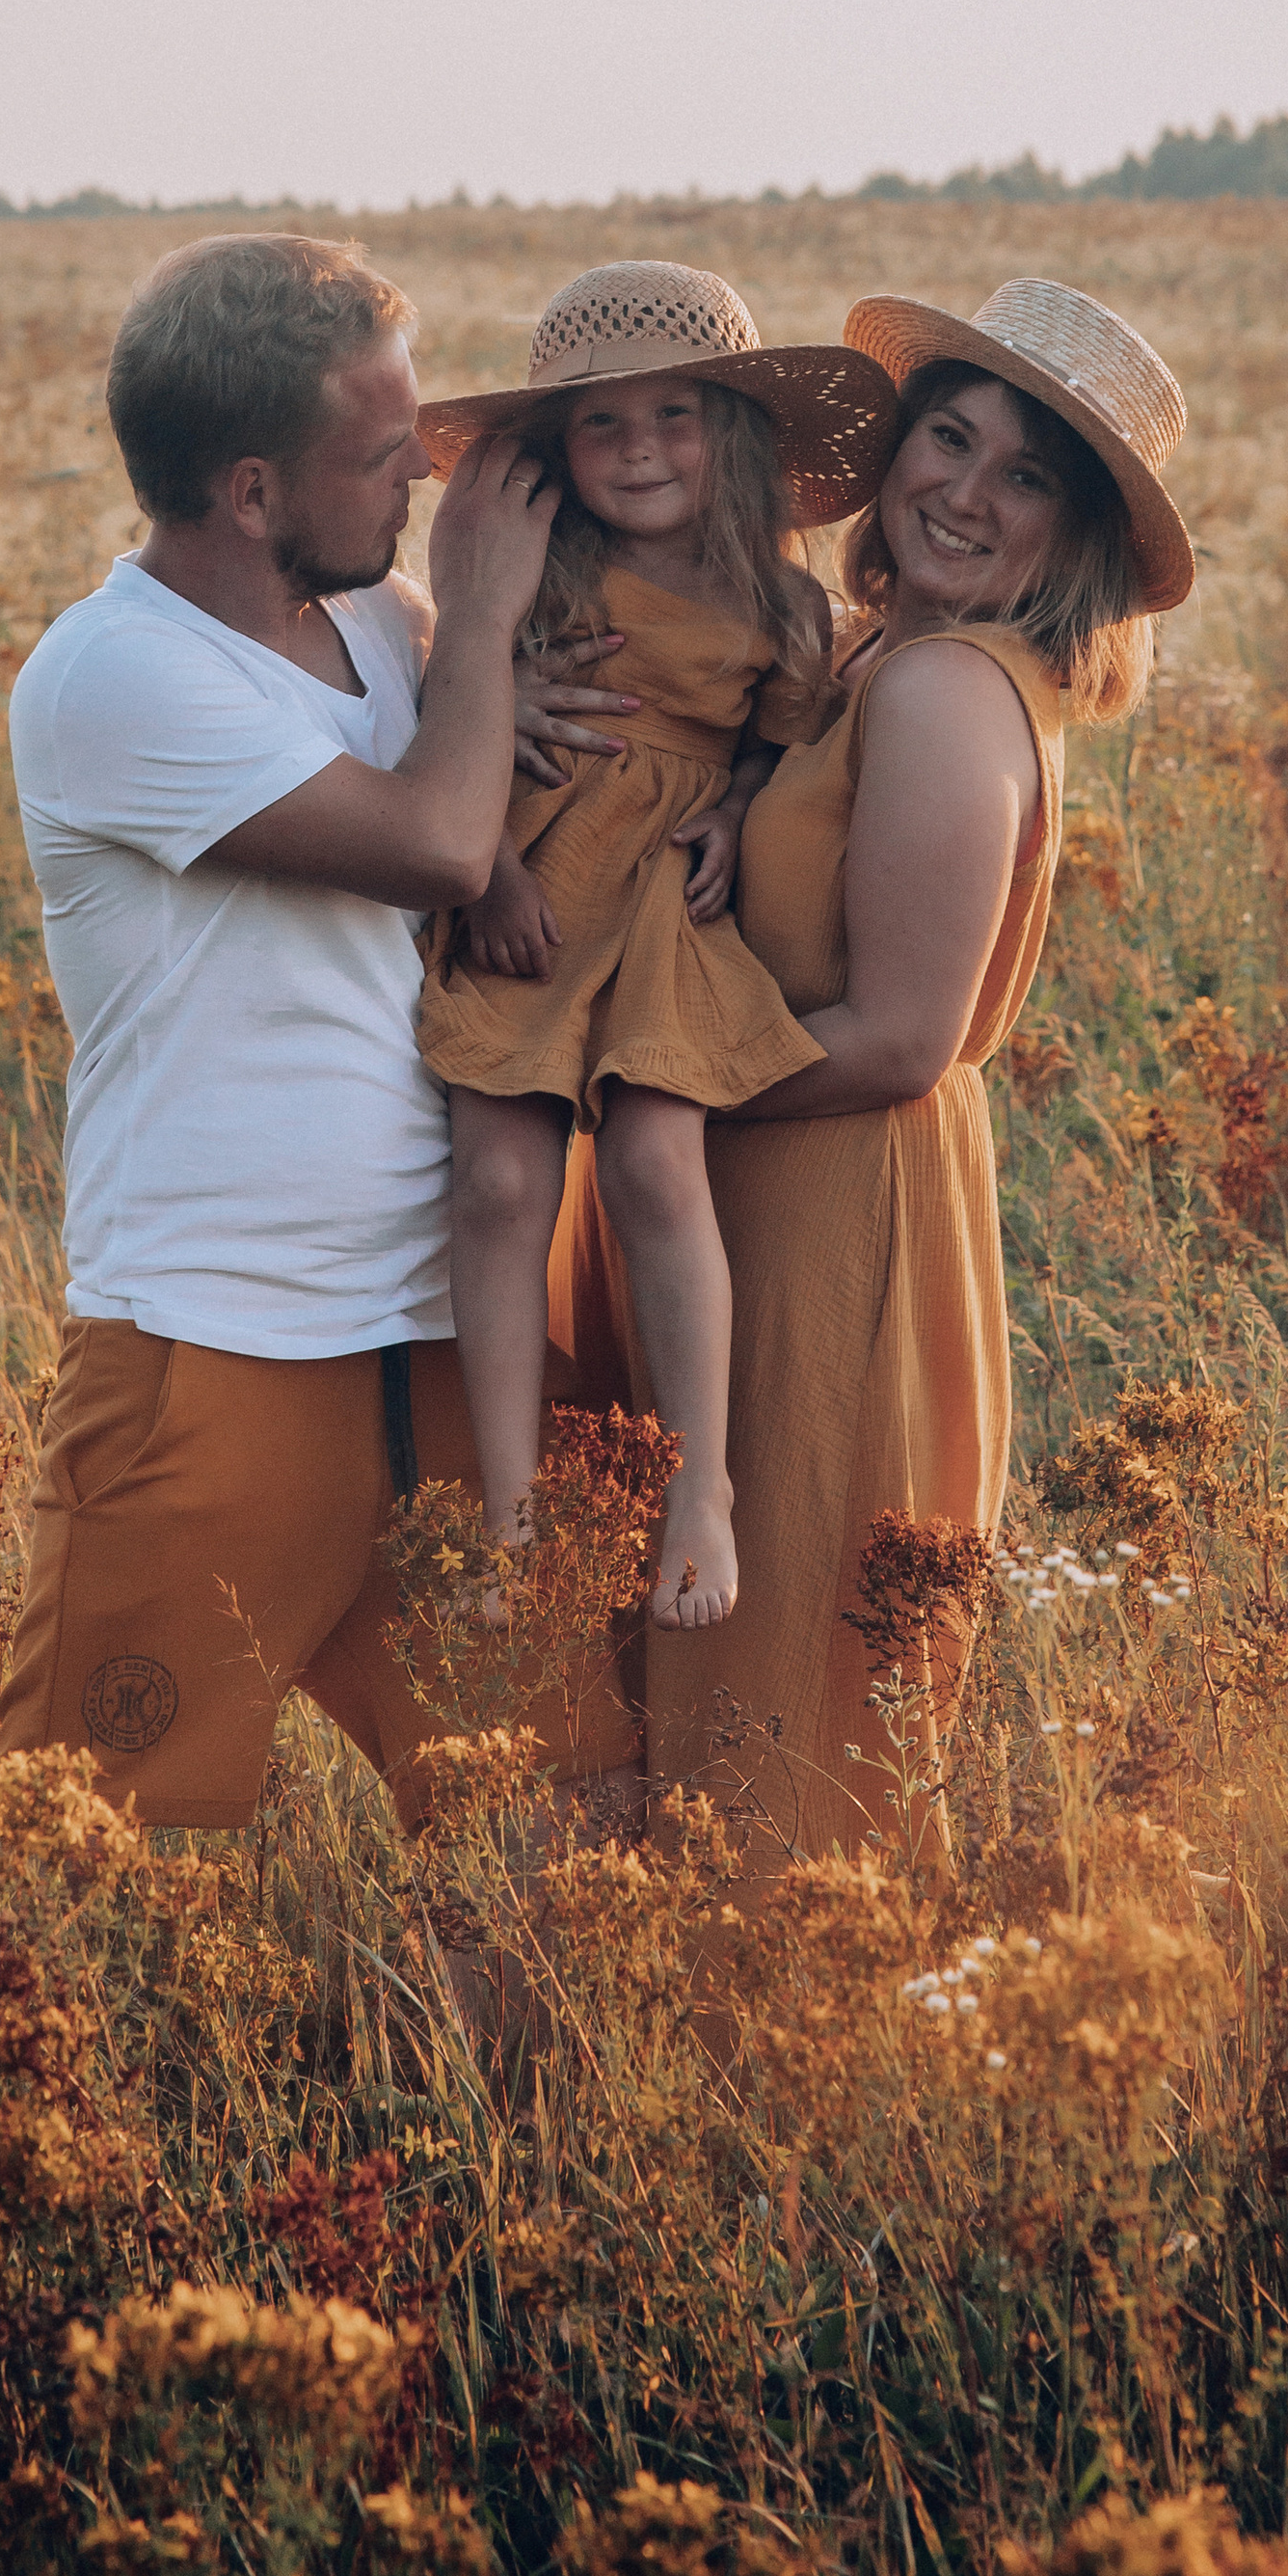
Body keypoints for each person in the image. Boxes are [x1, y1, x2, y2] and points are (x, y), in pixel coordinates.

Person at [0, 229, 633, 1826]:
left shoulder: (374, 627)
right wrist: (482, 634)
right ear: (253, 491)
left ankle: (505, 2092)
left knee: (555, 1812)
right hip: (218, 1350)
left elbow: (489, 800)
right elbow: (433, 841)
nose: (424, 469)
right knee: (103, 1854)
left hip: (438, 1337)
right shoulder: (115, 677)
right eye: (380, 450)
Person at [551, 274, 1194, 1860]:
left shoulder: (943, 689)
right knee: (713, 1691)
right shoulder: (872, 658)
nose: (964, 492)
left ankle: (763, 2075)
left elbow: (904, 1034)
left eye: (1024, 475)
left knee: (771, 1727)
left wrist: (644, 1086)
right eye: (949, 438)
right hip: (753, 1213)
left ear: (1078, 541)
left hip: (830, 1232)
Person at [413, 262, 896, 1633]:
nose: (640, 453)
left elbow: (778, 753)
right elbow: (459, 739)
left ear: (733, 431)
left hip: (668, 914)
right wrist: (489, 869)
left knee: (651, 1160)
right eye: (603, 425)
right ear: (557, 448)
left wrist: (737, 812)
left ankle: (702, 1491)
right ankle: (510, 1519)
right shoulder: (537, 574)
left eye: (675, 416)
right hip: (534, 886)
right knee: (499, 1182)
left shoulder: (782, 606)